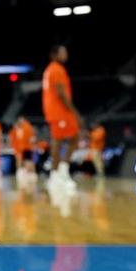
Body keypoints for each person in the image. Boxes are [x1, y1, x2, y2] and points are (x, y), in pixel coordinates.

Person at [42, 44, 82, 189]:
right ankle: (56, 174)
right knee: (58, 141)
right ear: (54, 55)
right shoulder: (56, 69)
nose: (66, 55)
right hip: (60, 111)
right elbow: (61, 94)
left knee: (73, 138)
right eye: (63, 52)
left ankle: (61, 172)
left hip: (56, 111)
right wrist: (75, 113)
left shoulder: (50, 70)